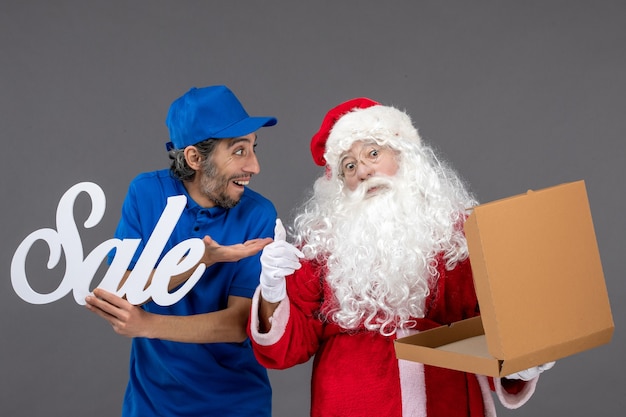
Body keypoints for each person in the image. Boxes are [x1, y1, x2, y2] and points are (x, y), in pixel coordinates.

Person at [248, 97, 554, 416]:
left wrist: (518, 362)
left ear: (404, 155)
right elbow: (287, 349)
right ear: (340, 183)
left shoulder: (459, 234)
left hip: (447, 400)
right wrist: (272, 291)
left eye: (373, 153)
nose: (364, 171)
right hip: (351, 402)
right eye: (349, 166)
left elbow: (490, 325)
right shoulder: (320, 246)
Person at [85, 85, 278, 417]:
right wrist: (199, 261)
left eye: (253, 148)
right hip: (152, 404)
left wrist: (147, 324)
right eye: (239, 151)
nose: (255, 166)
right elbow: (123, 292)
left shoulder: (259, 214)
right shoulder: (147, 194)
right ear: (194, 157)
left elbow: (238, 323)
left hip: (237, 405)